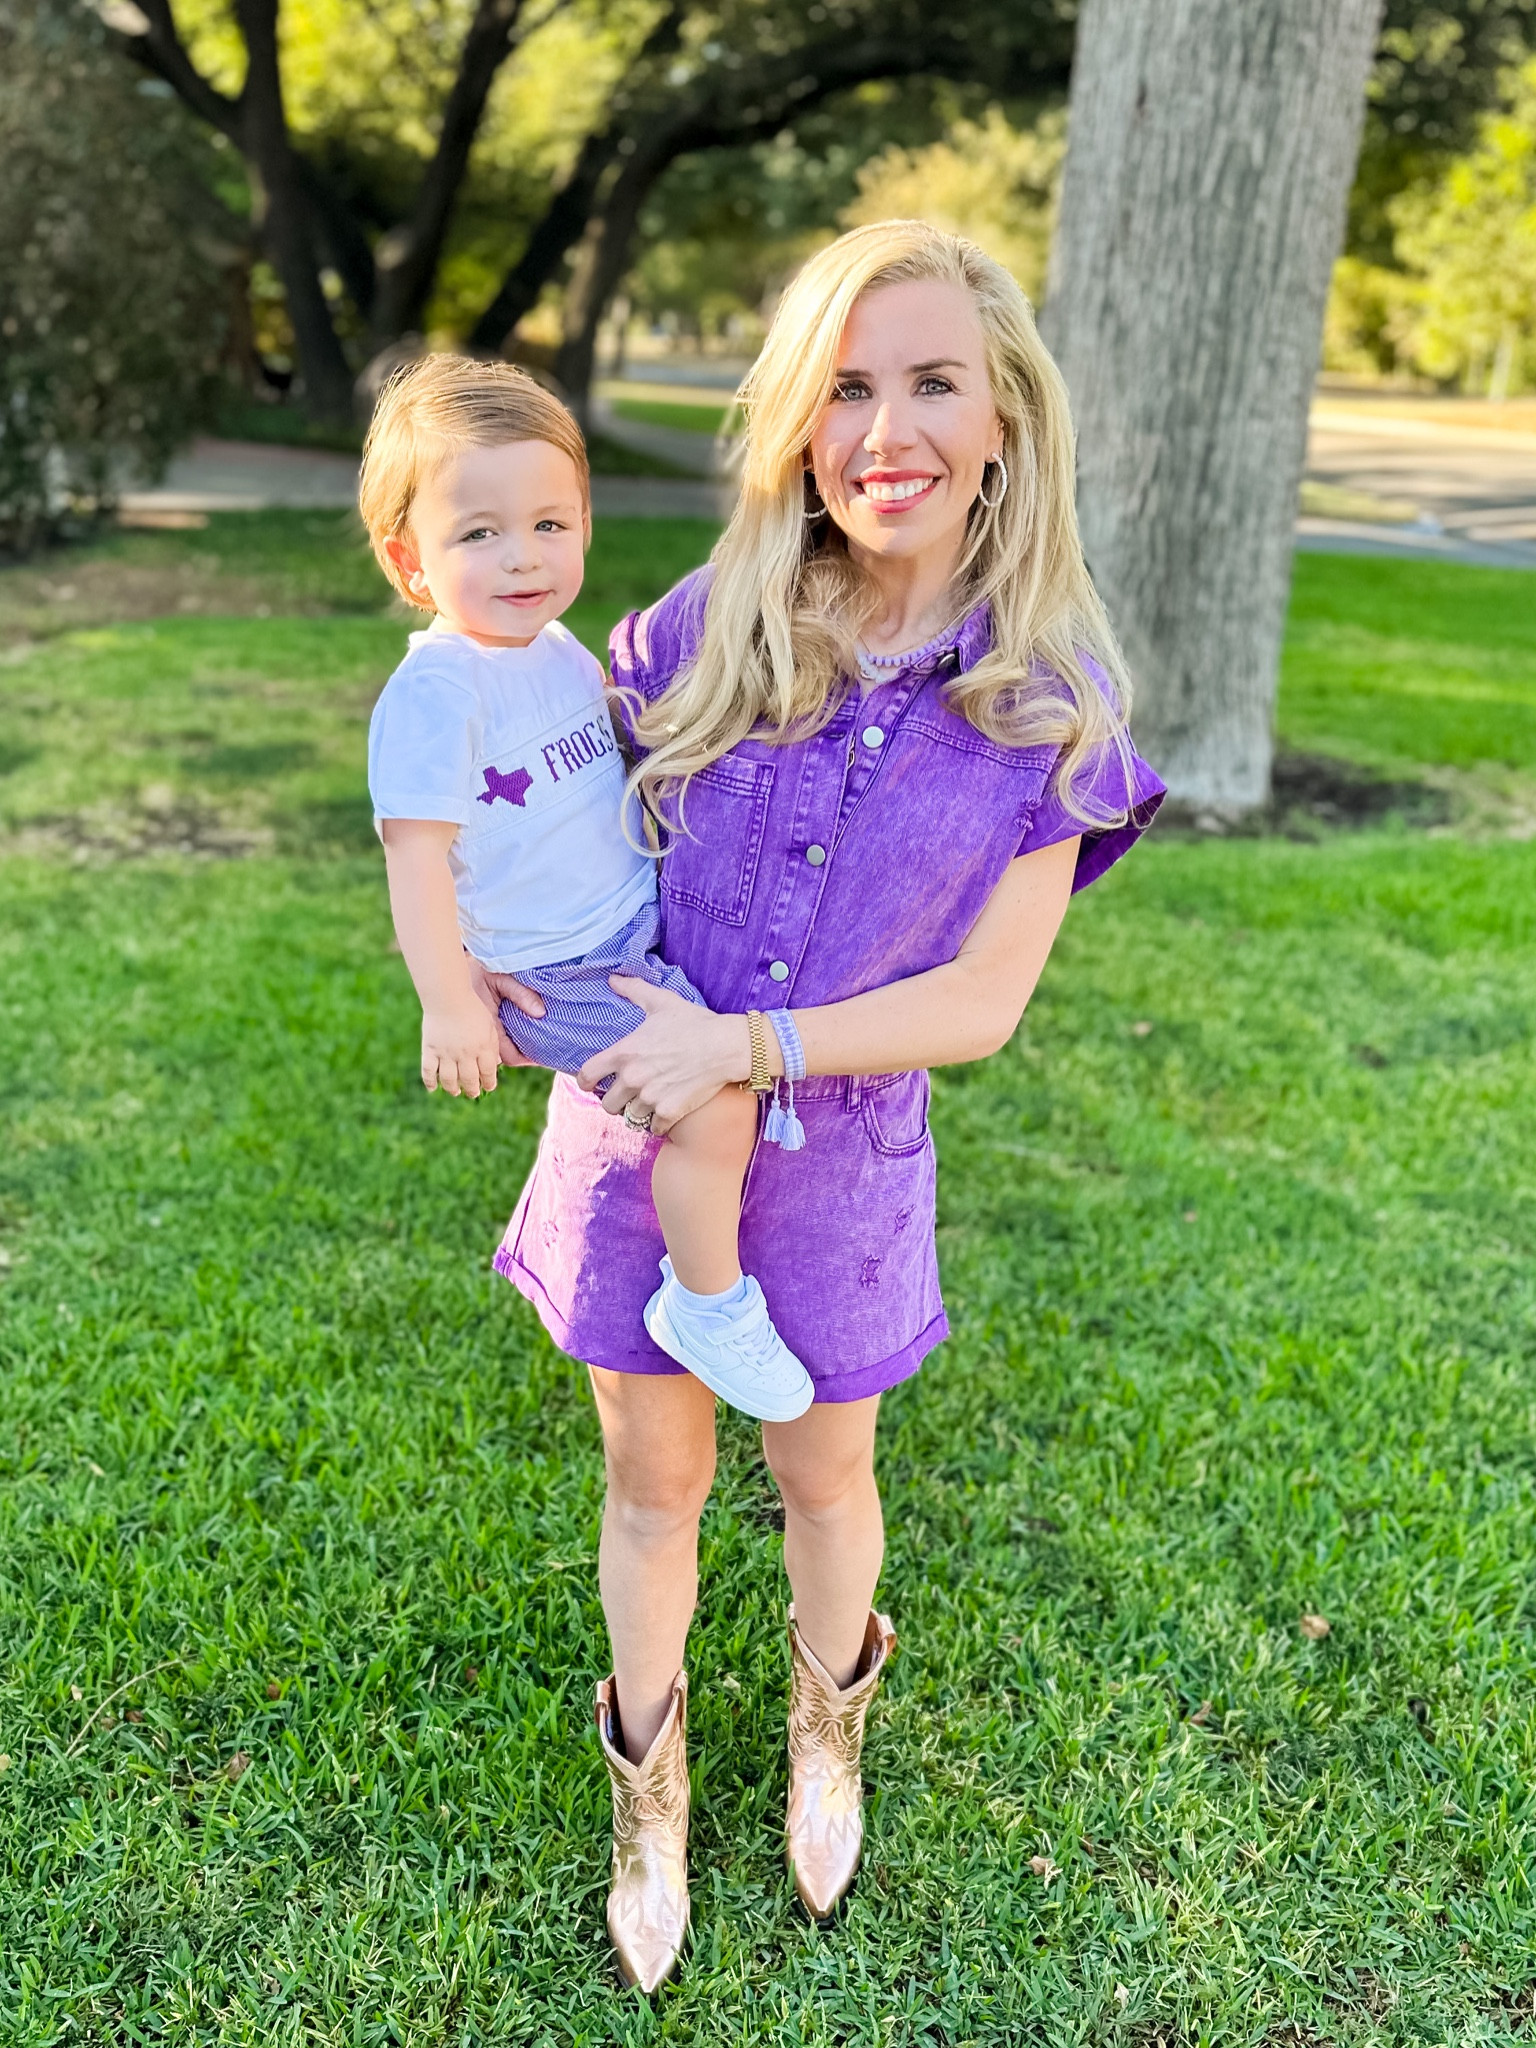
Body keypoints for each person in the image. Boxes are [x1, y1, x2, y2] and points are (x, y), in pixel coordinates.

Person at [484, 220, 1167, 1992]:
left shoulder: (1052, 707)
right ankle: (649, 1789)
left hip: (842, 1179)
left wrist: (756, 1047)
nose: (890, 428)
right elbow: (534, 792)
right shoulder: (706, 628)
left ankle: (826, 1723)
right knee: (652, 1475)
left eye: (934, 381)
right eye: (847, 387)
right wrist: (492, 944)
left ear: (1006, 415)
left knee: (822, 1469)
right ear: (796, 423)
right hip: (636, 1145)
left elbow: (982, 1002)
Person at [360, 355, 814, 1424]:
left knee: (721, 1078)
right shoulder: (439, 689)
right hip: (559, 970)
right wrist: (450, 1000)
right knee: (714, 1101)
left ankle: (709, 1264)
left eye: (551, 524)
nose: (523, 558)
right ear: (409, 560)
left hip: (624, 931)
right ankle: (706, 1299)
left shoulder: (555, 647)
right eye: (479, 533)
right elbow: (415, 857)